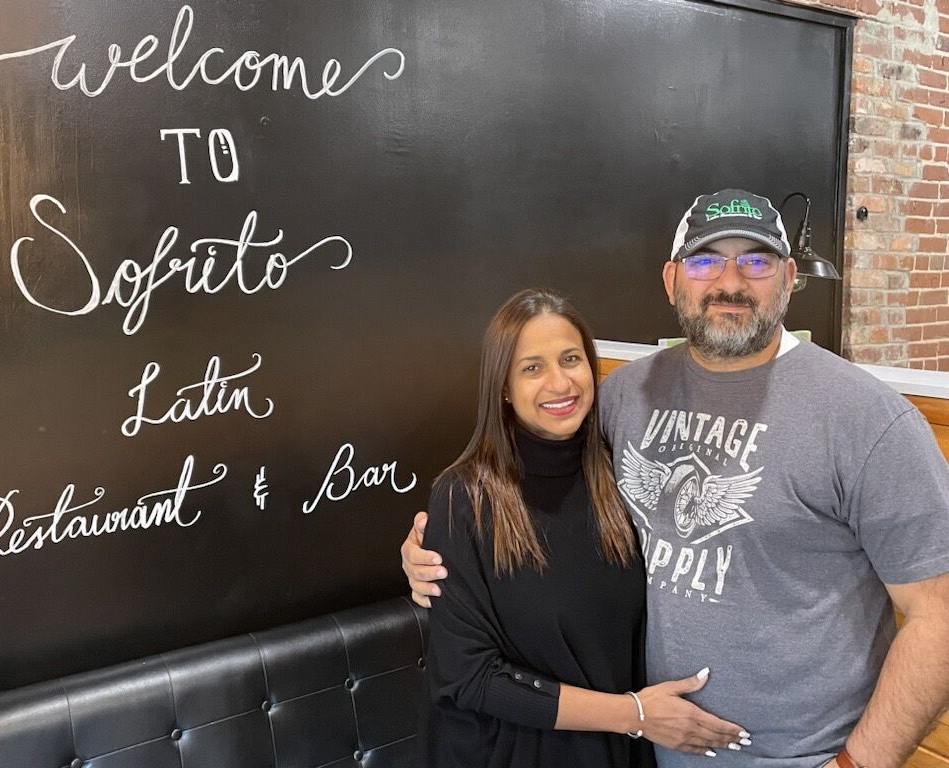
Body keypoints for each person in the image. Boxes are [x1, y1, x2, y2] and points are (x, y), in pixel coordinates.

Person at [404, 190, 949, 768]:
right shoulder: (623, 396)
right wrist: (436, 545)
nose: (730, 281)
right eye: (705, 261)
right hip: (646, 753)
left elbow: (937, 615)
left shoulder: (868, 420)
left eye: (757, 261)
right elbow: (523, 482)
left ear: (789, 277)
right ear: (672, 280)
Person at [422, 288, 749, 768]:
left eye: (571, 359)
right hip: (509, 753)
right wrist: (633, 714)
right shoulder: (464, 498)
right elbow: (469, 675)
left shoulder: (616, 477)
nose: (560, 382)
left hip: (619, 750)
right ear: (503, 387)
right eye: (532, 367)